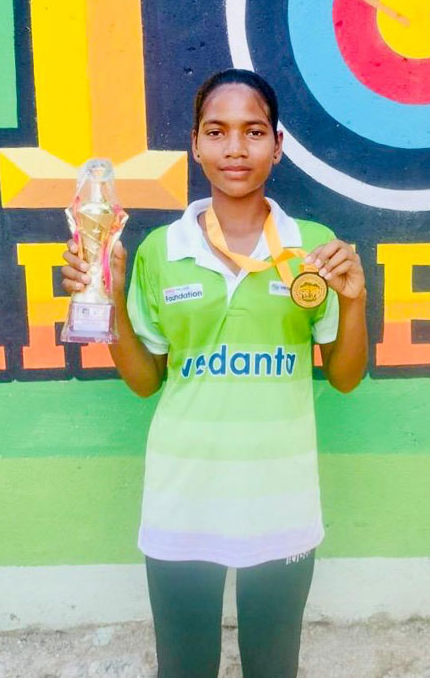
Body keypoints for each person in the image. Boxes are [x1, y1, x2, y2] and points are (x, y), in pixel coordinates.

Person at [62, 68, 367, 678]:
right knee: (184, 667)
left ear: (277, 146)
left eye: (253, 131)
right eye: (216, 131)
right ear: (196, 145)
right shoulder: (160, 251)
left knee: (273, 665)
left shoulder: (312, 248)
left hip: (280, 496)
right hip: (183, 494)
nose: (235, 148)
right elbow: (145, 381)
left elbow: (345, 377)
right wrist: (110, 296)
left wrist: (355, 301)